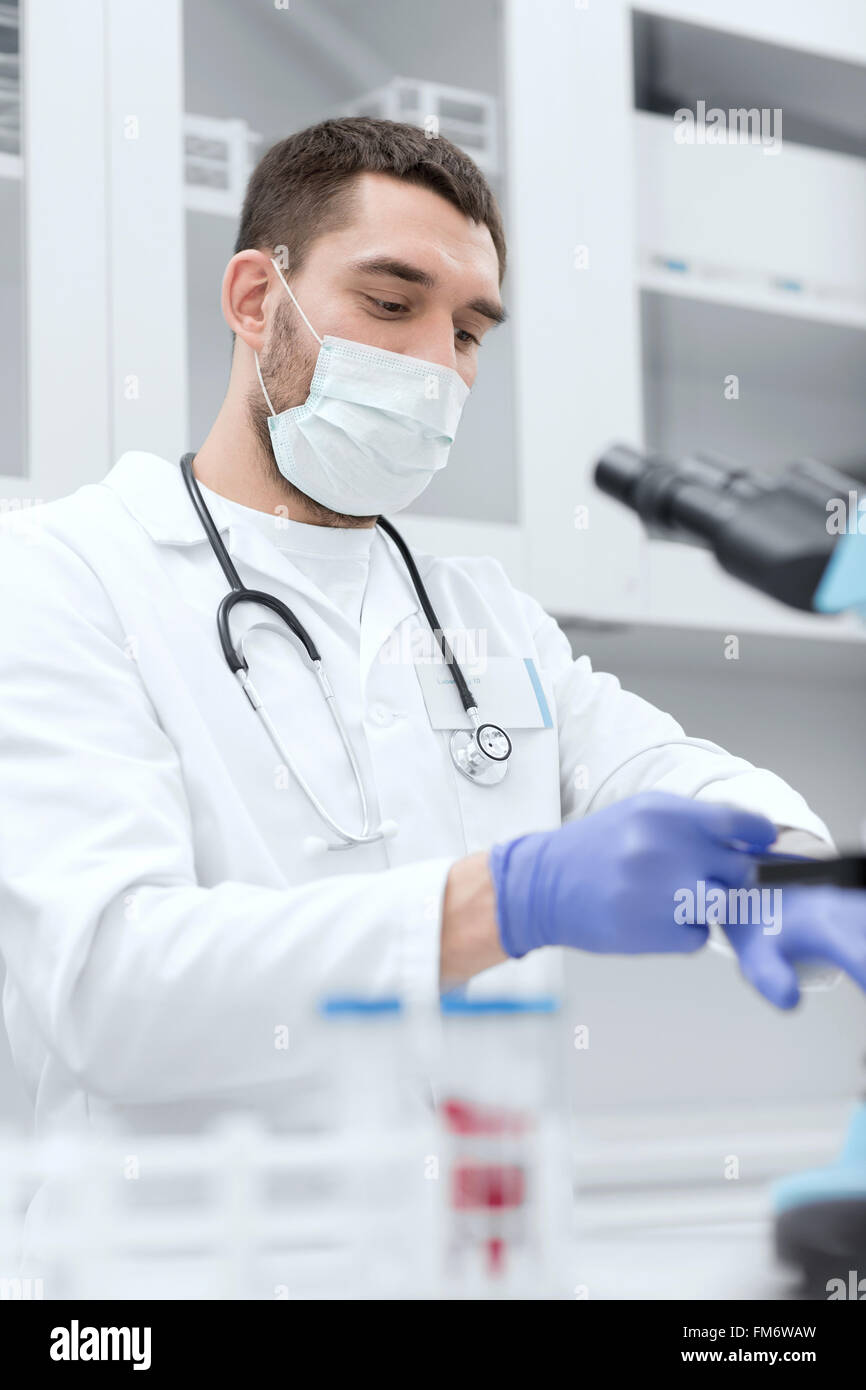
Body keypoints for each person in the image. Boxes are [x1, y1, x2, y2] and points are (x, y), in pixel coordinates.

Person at [0, 118, 860, 1156]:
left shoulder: (479, 616)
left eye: (465, 332)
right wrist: (502, 900)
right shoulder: (63, 572)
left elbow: (653, 766)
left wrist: (788, 870)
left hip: (461, 1253)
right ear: (253, 298)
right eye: (390, 303)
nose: (431, 364)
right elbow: (108, 991)